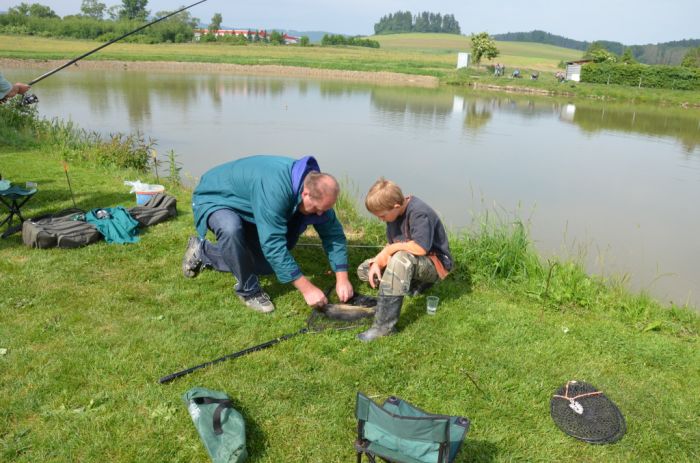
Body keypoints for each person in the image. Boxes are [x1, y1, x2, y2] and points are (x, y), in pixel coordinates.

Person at [182, 155, 354, 313]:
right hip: (216, 197)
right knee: (231, 228)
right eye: (316, 209)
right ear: (305, 193)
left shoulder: (316, 191)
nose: (319, 214)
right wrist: (307, 289)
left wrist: (342, 278)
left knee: (267, 266)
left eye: (324, 210)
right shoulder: (275, 189)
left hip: (251, 203)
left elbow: (333, 235)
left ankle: (204, 251)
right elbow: (273, 245)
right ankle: (249, 291)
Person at [356, 178, 453, 342]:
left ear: (395, 206)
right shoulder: (393, 215)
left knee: (400, 259)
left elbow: (420, 248)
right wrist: (378, 262)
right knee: (365, 269)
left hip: (435, 264)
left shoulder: (419, 213)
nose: (381, 219)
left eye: (382, 216)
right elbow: (393, 245)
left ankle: (383, 327)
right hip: (411, 261)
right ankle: (410, 284)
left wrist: (390, 250)